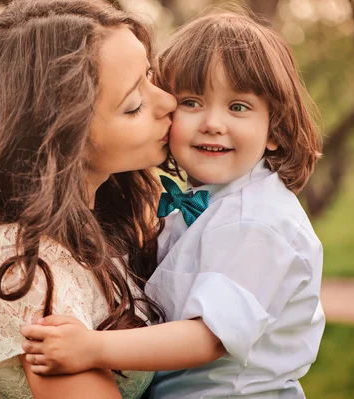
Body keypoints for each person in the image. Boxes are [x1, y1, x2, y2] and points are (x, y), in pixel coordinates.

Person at [21, 10, 326, 399]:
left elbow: (207, 339)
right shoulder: (209, 203)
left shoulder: (258, 222)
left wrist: (93, 348)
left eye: (238, 107)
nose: (213, 123)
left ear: (274, 130)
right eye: (192, 102)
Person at [0, 0, 180, 398]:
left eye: (150, 76)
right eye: (134, 105)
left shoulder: (100, 223)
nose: (168, 102)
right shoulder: (23, 261)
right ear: (62, 137)